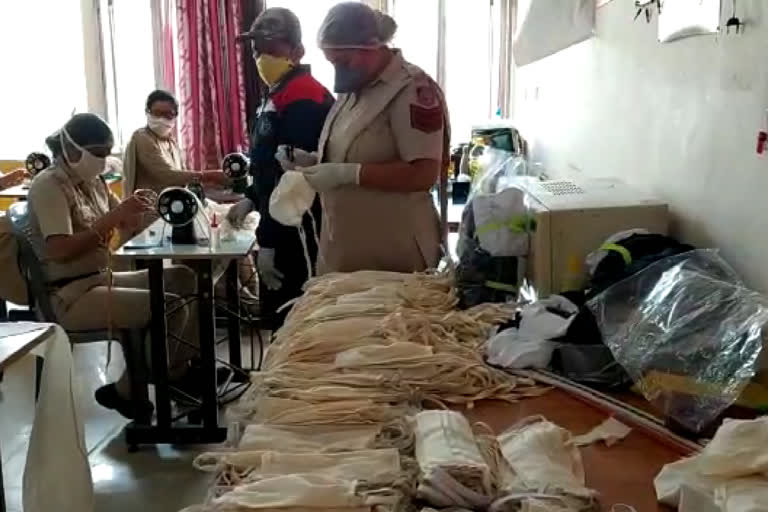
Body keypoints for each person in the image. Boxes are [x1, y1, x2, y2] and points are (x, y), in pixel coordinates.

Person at [28, 113, 203, 420]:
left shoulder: (91, 182)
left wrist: (136, 207)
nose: (102, 160)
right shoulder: (49, 186)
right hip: (69, 294)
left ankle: (173, 371)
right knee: (168, 305)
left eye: (106, 153)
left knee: (183, 278)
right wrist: (113, 217)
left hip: (97, 278)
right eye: (97, 153)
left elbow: (123, 222)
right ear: (71, 149)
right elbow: (59, 250)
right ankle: (133, 387)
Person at [282, 2, 450, 275]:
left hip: (394, 253)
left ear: (372, 46)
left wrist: (348, 174)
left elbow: (424, 174)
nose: (339, 72)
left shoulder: (411, 89)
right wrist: (312, 162)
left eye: (343, 61)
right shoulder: (354, 89)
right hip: (347, 248)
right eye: (332, 62)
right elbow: (354, 152)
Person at [228, 7, 334, 328]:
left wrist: (269, 242)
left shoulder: (304, 97)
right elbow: (266, 163)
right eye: (257, 49)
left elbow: (293, 183)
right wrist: (250, 196)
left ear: (297, 52)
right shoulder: (278, 94)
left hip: (296, 230)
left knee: (293, 327)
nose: (262, 57)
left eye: (272, 49)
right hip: (281, 221)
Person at [122, 89, 228, 196]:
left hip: (174, 203)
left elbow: (182, 174)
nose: (162, 119)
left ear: (175, 116)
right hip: (149, 207)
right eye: (157, 113)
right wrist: (208, 176)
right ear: (147, 112)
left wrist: (207, 184)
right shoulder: (142, 138)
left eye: (168, 114)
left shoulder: (171, 141)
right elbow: (166, 176)